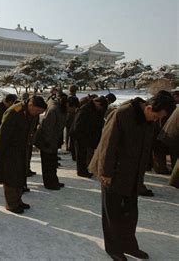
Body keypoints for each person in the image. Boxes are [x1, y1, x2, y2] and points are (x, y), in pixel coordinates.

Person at [89, 94, 176, 261]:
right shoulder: (122, 114)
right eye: (156, 116)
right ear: (149, 108)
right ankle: (113, 248)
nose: (156, 120)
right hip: (113, 172)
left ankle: (129, 245)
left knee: (130, 213)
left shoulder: (148, 119)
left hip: (133, 173)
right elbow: (108, 144)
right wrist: (106, 172)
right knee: (113, 213)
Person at [0, 96, 47, 213]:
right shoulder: (13, 113)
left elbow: (32, 131)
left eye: (40, 112)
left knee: (20, 176)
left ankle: (18, 200)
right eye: (37, 111)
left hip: (23, 149)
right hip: (10, 150)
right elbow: (2, 137)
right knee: (11, 176)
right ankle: (11, 204)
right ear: (31, 105)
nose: (37, 114)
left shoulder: (32, 113)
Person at [34, 93, 68, 189]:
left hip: (53, 140)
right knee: (48, 164)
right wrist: (48, 141)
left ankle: (54, 180)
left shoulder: (61, 109)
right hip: (47, 141)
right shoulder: (54, 110)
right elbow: (47, 127)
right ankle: (49, 183)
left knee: (52, 162)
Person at [71, 96, 108, 177]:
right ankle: (81, 171)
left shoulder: (92, 108)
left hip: (86, 135)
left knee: (84, 154)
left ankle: (83, 170)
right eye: (100, 106)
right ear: (98, 103)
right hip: (81, 135)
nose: (100, 109)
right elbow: (78, 124)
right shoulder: (85, 109)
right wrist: (80, 135)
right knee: (81, 154)